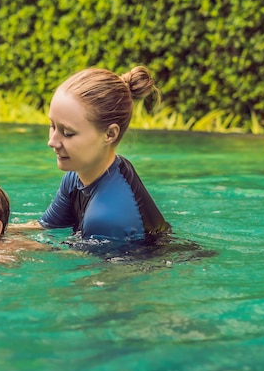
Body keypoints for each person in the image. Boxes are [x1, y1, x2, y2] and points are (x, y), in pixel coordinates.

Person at [14, 66, 171, 244]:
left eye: (67, 133)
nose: (52, 142)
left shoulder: (107, 217)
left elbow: (78, 266)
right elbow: (47, 225)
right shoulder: (77, 176)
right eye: (53, 126)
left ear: (109, 134)